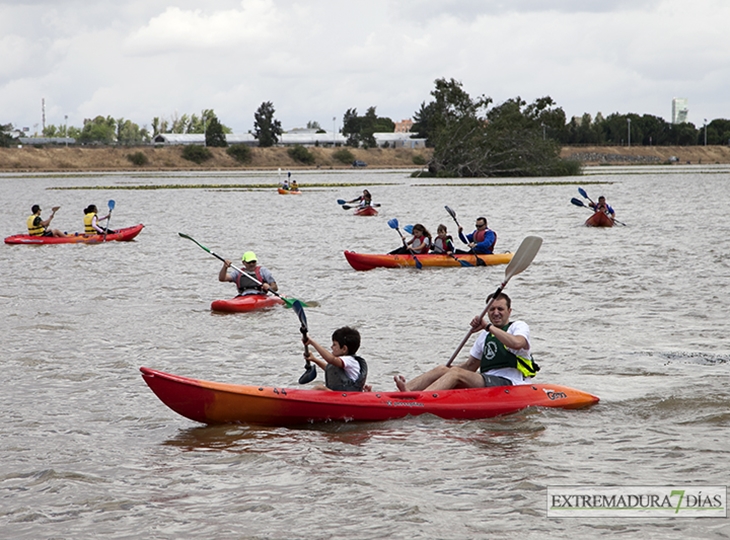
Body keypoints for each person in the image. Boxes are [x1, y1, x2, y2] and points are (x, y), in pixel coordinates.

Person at [393, 292, 539, 392]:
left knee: (456, 373)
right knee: (443, 369)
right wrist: (444, 373)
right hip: (488, 381)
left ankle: (420, 399)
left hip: (511, 382)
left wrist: (488, 327)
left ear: (509, 311)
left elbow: (517, 343)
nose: (496, 312)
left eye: (500, 309)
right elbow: (470, 366)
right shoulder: (484, 336)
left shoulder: (518, 326)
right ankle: (400, 393)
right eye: (492, 309)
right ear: (487, 312)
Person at [302, 326, 368, 392]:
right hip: (340, 395)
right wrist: (314, 359)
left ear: (344, 349)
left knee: (320, 388)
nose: (331, 347)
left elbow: (331, 359)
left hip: (348, 396)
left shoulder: (349, 360)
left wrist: (312, 342)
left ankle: (301, 398)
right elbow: (330, 369)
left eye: (334, 345)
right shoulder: (344, 363)